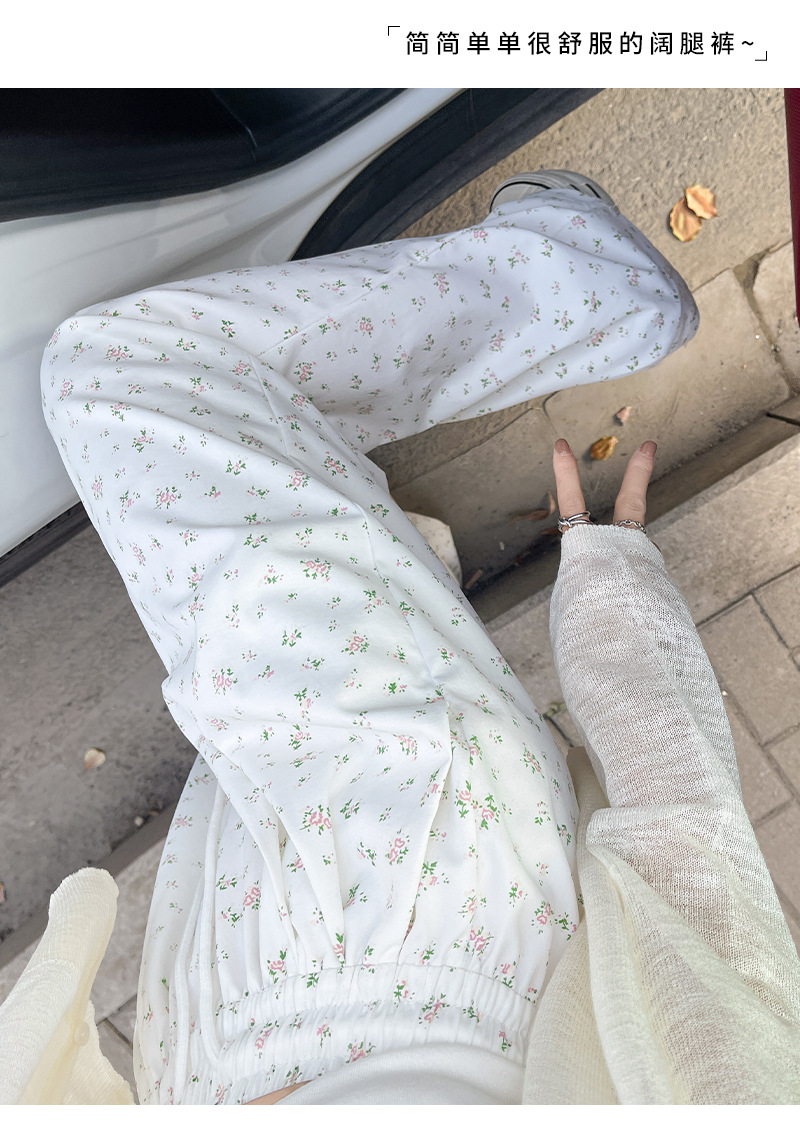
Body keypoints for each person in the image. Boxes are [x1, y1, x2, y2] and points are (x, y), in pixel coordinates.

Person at [3, 171, 799, 1105]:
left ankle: (554, 317)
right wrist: (616, 609)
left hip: (234, 1015)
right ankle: (581, 285)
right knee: (123, 375)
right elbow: (709, 903)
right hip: (412, 895)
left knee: (313, 607)